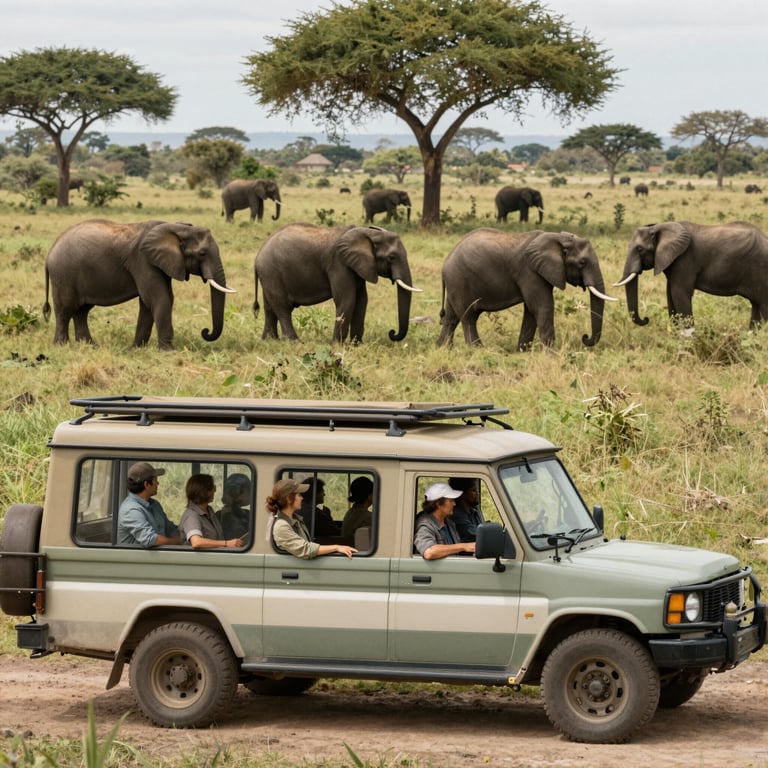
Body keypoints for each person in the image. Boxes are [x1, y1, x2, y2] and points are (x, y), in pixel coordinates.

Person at [267, 478, 357, 560]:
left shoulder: (296, 519)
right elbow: (305, 549)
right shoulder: (281, 526)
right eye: (299, 495)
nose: (302, 498)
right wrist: (337, 547)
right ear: (289, 499)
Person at [117, 462, 182, 547]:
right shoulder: (130, 510)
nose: (158, 483)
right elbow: (150, 539)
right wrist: (175, 542)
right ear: (146, 485)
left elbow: (171, 530)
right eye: (155, 480)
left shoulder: (155, 505)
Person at [179, 473, 243, 549]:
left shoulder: (209, 511)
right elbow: (196, 542)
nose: (214, 491)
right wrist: (226, 543)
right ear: (205, 492)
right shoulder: (192, 515)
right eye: (213, 488)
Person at [414, 482, 476, 560]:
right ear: (438, 504)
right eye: (451, 501)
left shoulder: (448, 522)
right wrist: (463, 546)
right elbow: (429, 552)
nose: (454, 504)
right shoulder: (425, 524)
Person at [297, 477, 345, 543]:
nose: (324, 494)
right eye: (322, 492)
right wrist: (328, 517)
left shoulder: (298, 508)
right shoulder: (316, 514)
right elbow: (336, 532)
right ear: (315, 494)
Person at [449, 477, 485, 542]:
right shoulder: (457, 515)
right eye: (473, 490)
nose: (477, 493)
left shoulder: (473, 511)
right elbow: (476, 536)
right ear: (462, 494)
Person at [220, 472, 251, 539]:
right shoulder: (229, 517)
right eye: (249, 490)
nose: (251, 493)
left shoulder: (244, 512)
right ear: (237, 493)